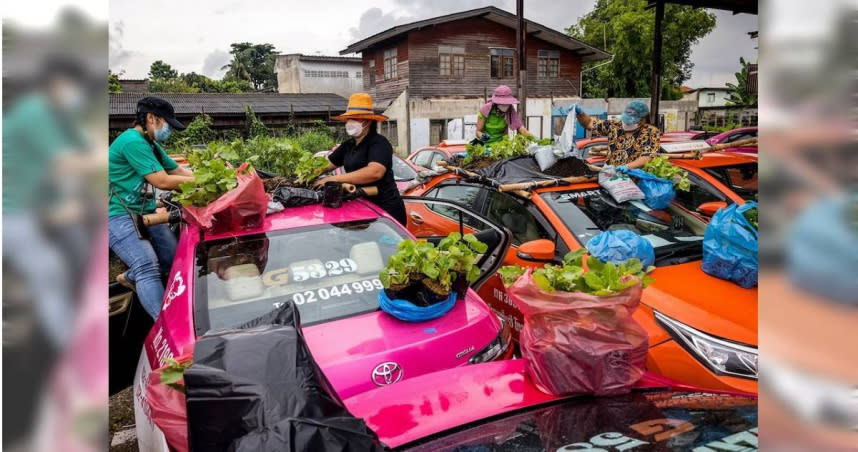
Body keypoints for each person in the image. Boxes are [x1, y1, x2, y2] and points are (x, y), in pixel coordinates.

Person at [109, 96, 195, 320]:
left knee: (173, 258)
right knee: (147, 265)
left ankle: (128, 277)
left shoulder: (151, 145)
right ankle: (167, 326)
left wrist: (216, 177)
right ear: (151, 118)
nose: (168, 129)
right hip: (116, 213)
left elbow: (178, 172)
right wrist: (198, 182)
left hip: (142, 210)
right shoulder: (132, 142)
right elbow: (163, 181)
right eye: (166, 123)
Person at [314, 93, 407, 225]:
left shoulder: (379, 143)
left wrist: (332, 179)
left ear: (367, 121)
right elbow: (326, 165)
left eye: (355, 119)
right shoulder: (348, 145)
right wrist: (306, 174)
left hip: (386, 211)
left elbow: (374, 172)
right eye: (349, 119)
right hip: (361, 207)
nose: (350, 123)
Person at [573, 100, 661, 169]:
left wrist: (626, 167)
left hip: (635, 180)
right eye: (625, 120)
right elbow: (589, 124)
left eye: (630, 121)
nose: (626, 123)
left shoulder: (651, 132)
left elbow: (648, 156)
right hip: (610, 176)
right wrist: (580, 113)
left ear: (643, 119)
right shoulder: (615, 126)